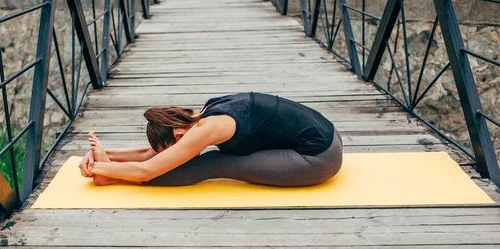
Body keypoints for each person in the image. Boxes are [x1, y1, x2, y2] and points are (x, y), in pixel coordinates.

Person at [78, 91, 343, 187]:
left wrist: (101, 169)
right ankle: (114, 172)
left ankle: (113, 179)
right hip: (331, 135)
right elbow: (155, 154)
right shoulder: (204, 113)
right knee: (209, 158)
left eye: (176, 146)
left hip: (319, 158)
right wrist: (108, 153)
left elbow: (147, 169)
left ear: (179, 135)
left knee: (215, 162)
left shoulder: (207, 129)